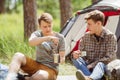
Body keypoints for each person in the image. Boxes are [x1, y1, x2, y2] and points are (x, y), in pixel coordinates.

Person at [6, 13, 65, 80]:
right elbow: (31, 42)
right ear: (39, 26)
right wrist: (47, 38)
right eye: (45, 27)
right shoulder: (38, 34)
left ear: (52, 24)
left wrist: (60, 59)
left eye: (49, 26)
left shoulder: (60, 37)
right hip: (37, 65)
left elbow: (62, 57)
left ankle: (25, 78)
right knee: (18, 55)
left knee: (40, 75)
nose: (48, 29)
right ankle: (10, 78)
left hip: (51, 70)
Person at [72, 10, 117, 80]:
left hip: (103, 66)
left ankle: (89, 78)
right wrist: (77, 55)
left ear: (98, 23)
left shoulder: (110, 36)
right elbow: (84, 54)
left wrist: (93, 65)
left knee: (100, 64)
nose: (87, 27)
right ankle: (92, 78)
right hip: (88, 66)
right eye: (87, 24)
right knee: (75, 59)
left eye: (89, 24)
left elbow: (109, 58)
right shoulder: (85, 37)